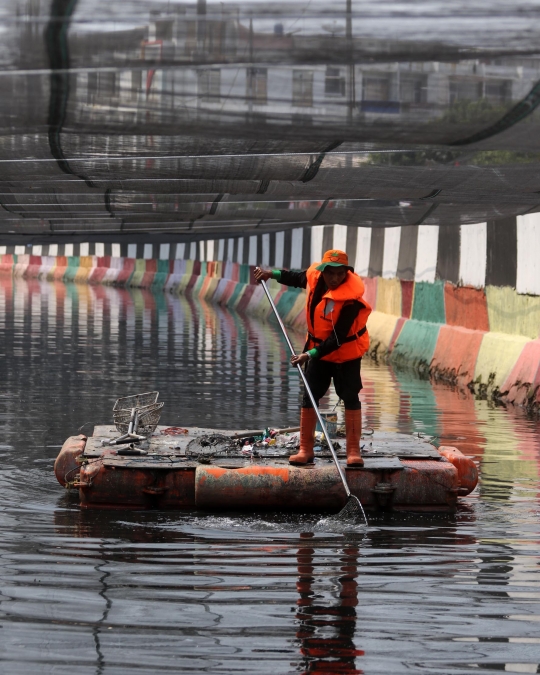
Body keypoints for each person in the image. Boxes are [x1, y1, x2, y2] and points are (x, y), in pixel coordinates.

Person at [254, 249, 372, 467]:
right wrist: (271, 274)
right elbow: (298, 277)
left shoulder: (351, 300)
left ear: (347, 273)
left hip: (345, 354)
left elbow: (337, 338)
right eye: (330, 273)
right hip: (318, 351)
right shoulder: (315, 278)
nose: (335, 279)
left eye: (340, 274)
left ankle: (353, 452)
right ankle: (305, 450)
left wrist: (308, 354)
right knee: (310, 394)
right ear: (323, 271)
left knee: (350, 396)